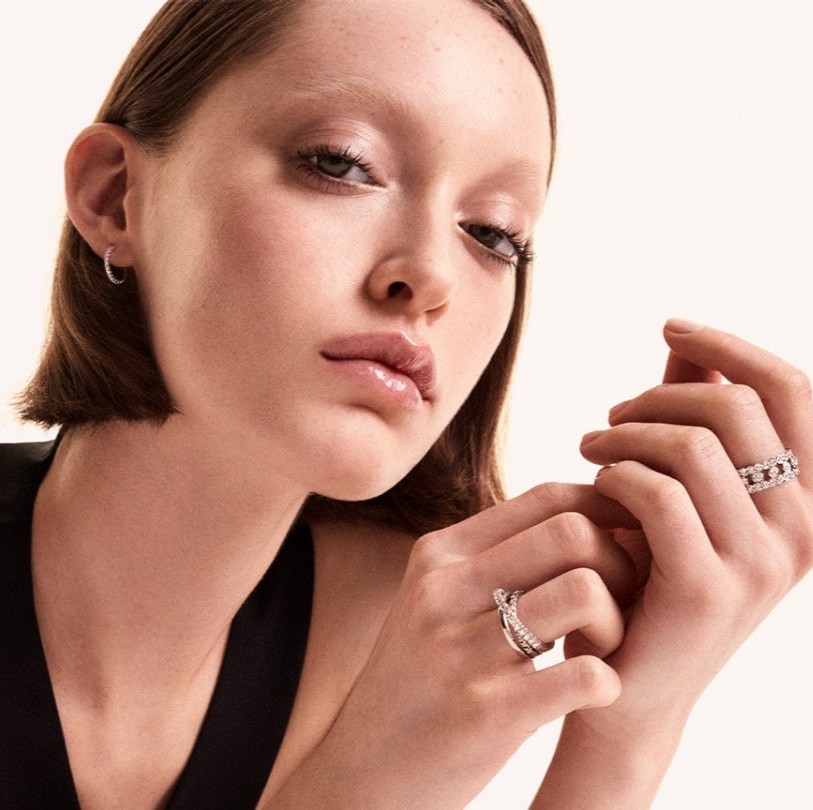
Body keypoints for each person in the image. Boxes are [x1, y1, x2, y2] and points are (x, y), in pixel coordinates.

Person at [1, 0, 810, 807]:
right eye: (341, 163)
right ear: (114, 197)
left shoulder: (401, 627)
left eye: (492, 233)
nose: (430, 277)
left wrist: (628, 725)